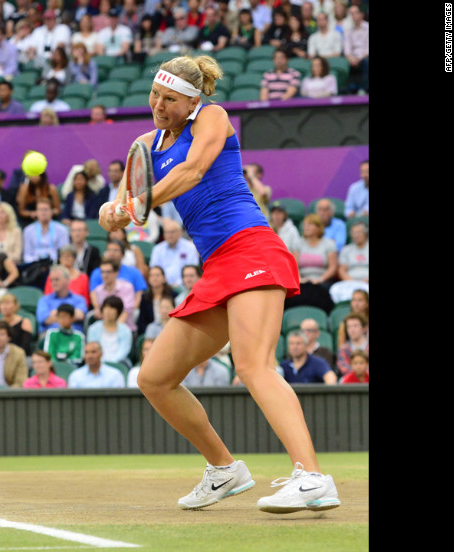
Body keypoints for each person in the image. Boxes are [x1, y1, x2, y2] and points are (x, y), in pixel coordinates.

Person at [98, 55, 341, 513]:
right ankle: (224, 469)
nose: (159, 105)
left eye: (170, 99)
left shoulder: (213, 116)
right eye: (155, 95)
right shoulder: (145, 144)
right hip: (215, 267)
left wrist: (134, 205)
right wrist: (111, 212)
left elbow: (191, 171)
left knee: (253, 365)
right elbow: (128, 200)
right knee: (154, 378)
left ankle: (312, 477)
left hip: (250, 248)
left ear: (192, 101)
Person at [37, 265, 88, 334]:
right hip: (51, 336)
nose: (54, 283)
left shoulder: (79, 299)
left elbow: (80, 315)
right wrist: (70, 315)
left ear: (67, 280)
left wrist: (55, 313)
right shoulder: (44, 300)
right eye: (52, 280)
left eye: (57, 279)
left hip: (73, 337)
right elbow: (45, 319)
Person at [149, 219, 200, 287]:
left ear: (180, 232)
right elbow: (154, 269)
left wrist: (179, 284)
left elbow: (193, 269)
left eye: (172, 232)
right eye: (167, 232)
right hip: (163, 287)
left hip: (185, 286)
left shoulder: (190, 247)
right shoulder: (157, 249)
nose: (169, 235)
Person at [87, 295, 134, 364]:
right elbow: (92, 348)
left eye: (112, 308)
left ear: (118, 311)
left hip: (119, 364)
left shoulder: (125, 330)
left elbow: (124, 350)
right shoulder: (93, 328)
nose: (108, 311)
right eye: (105, 307)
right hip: (97, 363)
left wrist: (112, 362)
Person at [330, 221, 369, 303]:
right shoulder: (346, 249)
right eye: (353, 233)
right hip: (350, 282)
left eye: (358, 232)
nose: (355, 235)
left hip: (367, 281)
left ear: (365, 233)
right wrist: (350, 280)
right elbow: (342, 269)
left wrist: (366, 280)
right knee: (334, 289)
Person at [90, 259, 137, 328]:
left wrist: (114, 330)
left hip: (125, 329)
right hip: (105, 329)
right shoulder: (98, 290)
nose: (105, 275)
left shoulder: (127, 287)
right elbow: (101, 314)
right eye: (102, 272)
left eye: (108, 272)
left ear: (116, 273)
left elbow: (126, 312)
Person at [22, 199, 70, 264]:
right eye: (40, 210)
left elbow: (65, 252)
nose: (43, 212)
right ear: (36, 212)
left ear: (51, 211)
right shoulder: (28, 230)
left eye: (46, 209)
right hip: (34, 266)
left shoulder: (62, 230)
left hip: (55, 264)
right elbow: (27, 255)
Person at [298, 213, 339, 288]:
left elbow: (333, 267)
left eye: (310, 224)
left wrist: (320, 279)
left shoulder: (329, 244)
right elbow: (294, 266)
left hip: (323, 282)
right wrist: (300, 279)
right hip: (302, 281)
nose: (306, 227)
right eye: (305, 224)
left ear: (319, 227)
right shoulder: (298, 243)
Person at [342, 5, 368, 94]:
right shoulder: (348, 30)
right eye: (351, 14)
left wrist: (359, 59)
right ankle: (349, 90)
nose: (353, 16)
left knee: (367, 61)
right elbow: (347, 49)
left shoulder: (368, 28)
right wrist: (351, 59)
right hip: (352, 58)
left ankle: (364, 89)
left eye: (355, 13)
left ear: (361, 14)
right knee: (343, 62)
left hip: (364, 57)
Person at [336, 312, 369, 376]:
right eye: (349, 327)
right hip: (351, 382)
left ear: (364, 328)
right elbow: (343, 367)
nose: (352, 330)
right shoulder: (344, 349)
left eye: (355, 326)